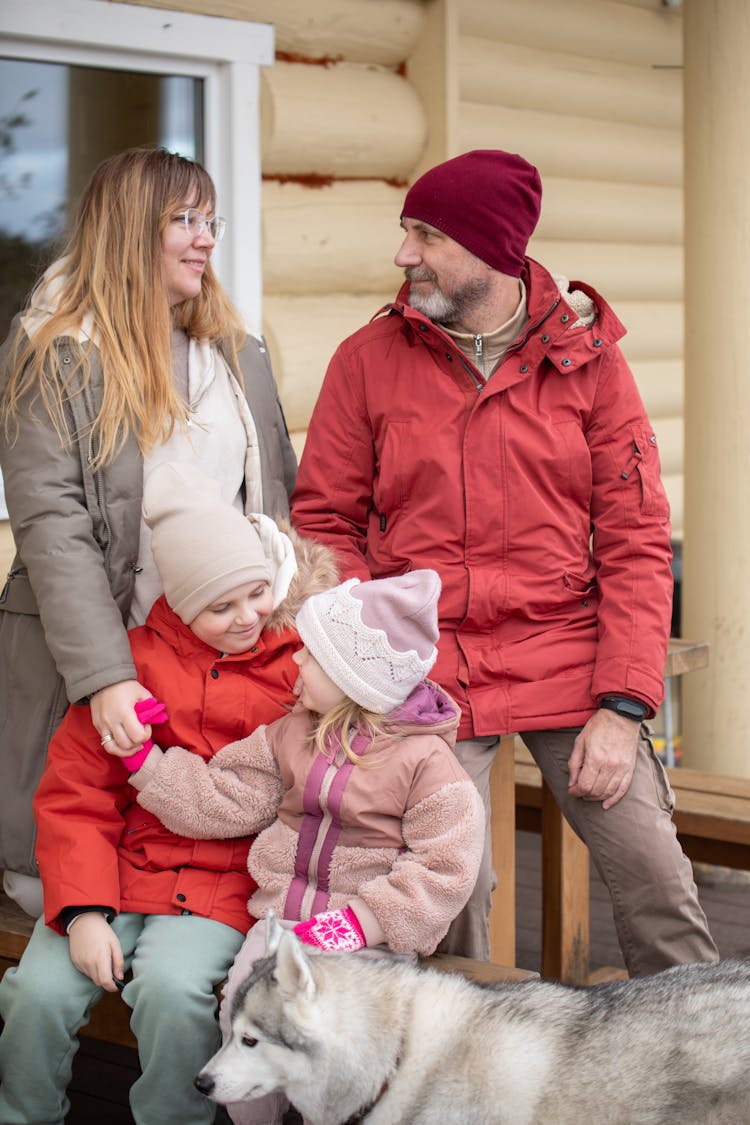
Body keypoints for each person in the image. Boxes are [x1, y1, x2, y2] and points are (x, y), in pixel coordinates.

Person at [290, 148, 719, 974]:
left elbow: (634, 538)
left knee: (655, 871)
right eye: (405, 232)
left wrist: (626, 707)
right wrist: (375, 658)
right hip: (426, 670)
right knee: (446, 881)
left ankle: (703, 1067)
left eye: (425, 235)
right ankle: (465, 1075)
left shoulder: (590, 363)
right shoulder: (367, 360)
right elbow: (325, 523)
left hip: (568, 655)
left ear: (492, 251)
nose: (403, 254)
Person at [0, 146, 297, 917]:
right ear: (133, 229)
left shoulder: (234, 352)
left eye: (211, 220)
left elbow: (273, 501)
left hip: (215, 660)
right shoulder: (57, 352)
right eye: (185, 220)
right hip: (108, 661)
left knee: (210, 866)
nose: (206, 238)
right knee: (59, 885)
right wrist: (105, 676)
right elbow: (51, 526)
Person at [0, 461, 338, 1125]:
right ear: (182, 603)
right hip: (122, 867)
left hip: (223, 881)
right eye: (222, 606)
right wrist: (84, 912)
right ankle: (23, 1111)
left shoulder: (297, 670)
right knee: (36, 990)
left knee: (175, 990)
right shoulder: (134, 666)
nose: (247, 616)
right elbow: (77, 791)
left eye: (255, 594)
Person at [114, 567, 484, 1125]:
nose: (296, 662)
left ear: (353, 677)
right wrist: (148, 764)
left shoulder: (427, 764)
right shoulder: (291, 733)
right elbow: (229, 796)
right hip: (278, 928)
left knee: (339, 1051)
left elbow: (444, 868)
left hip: (366, 944)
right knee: (244, 1015)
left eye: (312, 655)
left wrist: (356, 925)